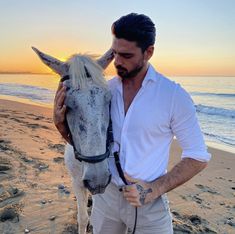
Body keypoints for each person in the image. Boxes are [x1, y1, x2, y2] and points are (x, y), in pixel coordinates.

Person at [54, 13, 211, 234]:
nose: (117, 62)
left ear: (149, 52)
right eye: (115, 53)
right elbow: (86, 140)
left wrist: (154, 189)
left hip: (149, 204)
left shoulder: (173, 96)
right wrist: (60, 124)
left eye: (126, 55)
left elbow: (198, 156)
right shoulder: (104, 91)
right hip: (105, 198)